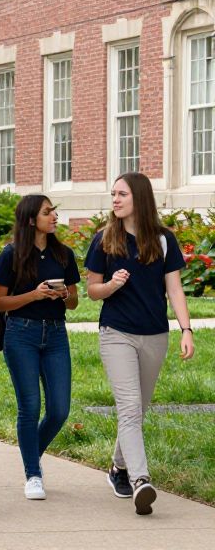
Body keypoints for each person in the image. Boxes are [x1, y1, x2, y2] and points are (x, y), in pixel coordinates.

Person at [85, 172, 195, 516]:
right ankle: (140, 480)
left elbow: (174, 288)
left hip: (155, 335)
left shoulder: (163, 240)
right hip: (116, 333)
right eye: (113, 194)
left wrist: (186, 329)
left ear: (140, 199)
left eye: (122, 194)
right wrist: (112, 286)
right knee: (130, 408)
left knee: (138, 410)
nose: (115, 200)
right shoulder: (104, 239)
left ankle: (118, 467)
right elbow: (92, 291)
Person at [0, 195, 80, 500]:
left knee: (59, 409)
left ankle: (30, 454)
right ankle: (33, 474)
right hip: (21, 334)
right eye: (47, 212)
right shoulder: (11, 255)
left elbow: (75, 302)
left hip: (56, 336)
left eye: (53, 210)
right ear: (31, 220)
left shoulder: (64, 254)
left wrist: (64, 293)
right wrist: (35, 295)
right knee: (29, 407)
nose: (54, 216)